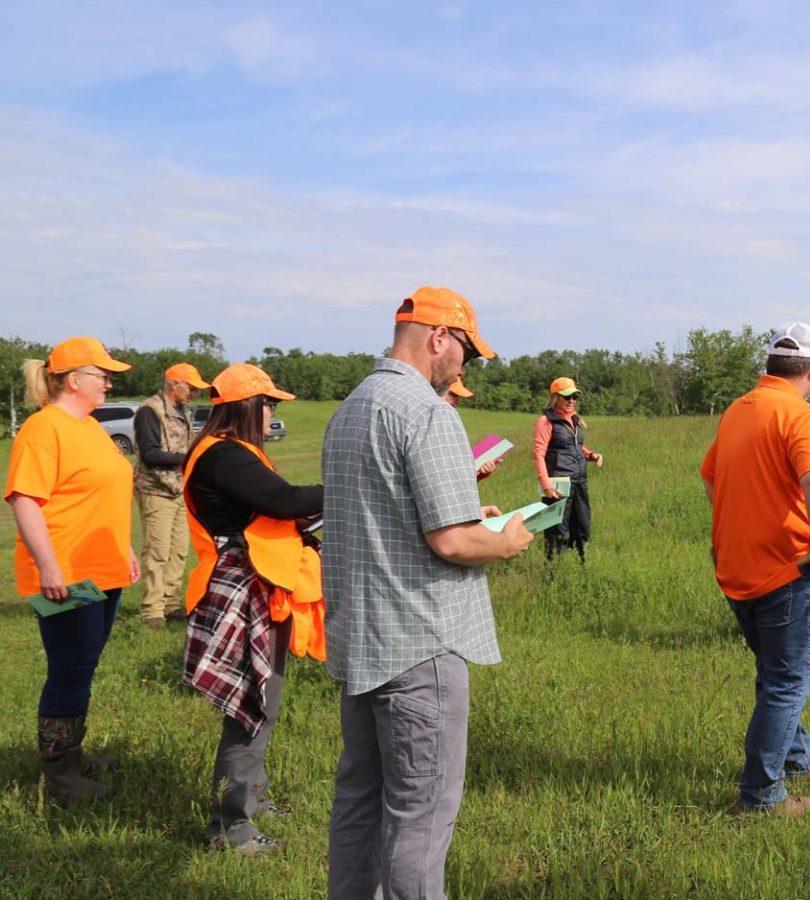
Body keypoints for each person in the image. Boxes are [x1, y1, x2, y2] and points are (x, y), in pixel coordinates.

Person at [324, 286, 534, 898]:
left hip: (363, 642)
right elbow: (453, 542)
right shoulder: (426, 410)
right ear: (438, 337)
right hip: (421, 645)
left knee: (360, 800)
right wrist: (508, 538)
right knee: (420, 815)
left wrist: (471, 519)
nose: (465, 365)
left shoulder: (353, 407)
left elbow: (391, 516)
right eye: (465, 349)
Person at [700, 322, 810, 817]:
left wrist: (738, 530)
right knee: (787, 682)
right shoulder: (802, 416)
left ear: (769, 365)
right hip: (788, 573)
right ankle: (761, 797)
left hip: (738, 570)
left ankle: (800, 760)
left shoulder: (738, 410)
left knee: (777, 673)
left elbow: (711, 479)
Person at [180, 363, 324, 855]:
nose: (273, 412)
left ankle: (253, 802)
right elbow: (282, 501)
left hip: (257, 585)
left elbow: (276, 507)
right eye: (270, 404)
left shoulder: (232, 452)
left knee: (263, 703)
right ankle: (232, 830)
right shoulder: (223, 455)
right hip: (240, 588)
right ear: (248, 406)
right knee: (249, 708)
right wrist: (351, 490)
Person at [5, 336, 138, 804]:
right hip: (68, 575)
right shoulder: (44, 429)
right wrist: (48, 566)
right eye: (102, 375)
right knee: (70, 668)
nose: (108, 381)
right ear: (73, 380)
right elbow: (25, 500)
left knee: (84, 663)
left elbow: (99, 493)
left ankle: (71, 754)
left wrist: (124, 548)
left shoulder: (90, 426)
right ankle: (60, 774)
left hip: (102, 570)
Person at [134, 362, 210, 629]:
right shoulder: (149, 411)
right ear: (174, 384)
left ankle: (171, 604)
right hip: (156, 490)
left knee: (178, 551)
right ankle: (152, 611)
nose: (193, 394)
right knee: (158, 551)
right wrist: (188, 458)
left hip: (179, 490)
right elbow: (150, 454)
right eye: (190, 388)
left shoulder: (183, 411)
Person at [532, 376, 604, 563]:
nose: (571, 400)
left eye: (574, 396)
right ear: (555, 397)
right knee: (557, 529)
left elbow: (577, 446)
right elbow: (539, 454)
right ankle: (554, 571)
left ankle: (580, 563)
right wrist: (545, 484)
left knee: (582, 526)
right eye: (567, 396)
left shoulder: (575, 419)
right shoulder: (546, 421)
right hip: (558, 484)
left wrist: (591, 455)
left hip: (580, 480)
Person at [441, 378, 498, 480]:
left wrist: (481, 474)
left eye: (458, 396)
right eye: (453, 395)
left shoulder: (451, 425)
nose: (456, 401)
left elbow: (456, 482)